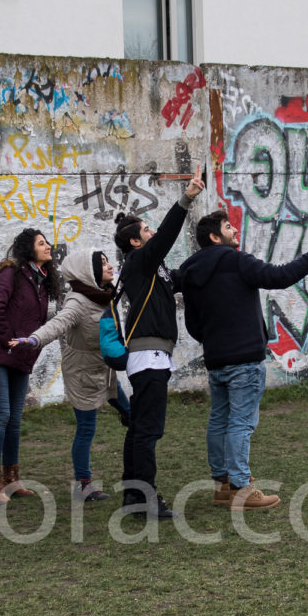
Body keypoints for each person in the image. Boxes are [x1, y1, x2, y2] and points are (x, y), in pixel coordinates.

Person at [179, 211, 308, 510]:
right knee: (240, 423)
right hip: (244, 359)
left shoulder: (189, 270)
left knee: (219, 421)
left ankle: (223, 486)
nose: (235, 229)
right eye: (228, 227)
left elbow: (192, 324)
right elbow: (280, 277)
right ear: (216, 237)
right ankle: (242, 488)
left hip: (216, 359)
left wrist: (215, 339)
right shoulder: (236, 261)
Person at [115, 164, 204, 520]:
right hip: (148, 358)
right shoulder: (140, 260)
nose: (152, 233)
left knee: (139, 429)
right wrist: (186, 199)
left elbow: (186, 275)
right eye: (146, 230)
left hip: (153, 358)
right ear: (135, 242)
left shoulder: (158, 270)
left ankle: (133, 495)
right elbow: (166, 235)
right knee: (148, 431)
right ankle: (144, 500)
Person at [10, 248, 130, 502]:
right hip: (82, 372)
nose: (109, 266)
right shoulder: (77, 302)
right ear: (89, 272)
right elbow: (58, 323)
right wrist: (33, 339)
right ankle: (83, 485)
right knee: (87, 428)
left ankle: (137, 468)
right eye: (103, 264)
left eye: (109, 262)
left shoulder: (105, 294)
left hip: (104, 369)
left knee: (132, 415)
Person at [0, 228, 60, 504]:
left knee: (14, 419)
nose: (48, 246)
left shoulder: (43, 281)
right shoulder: (11, 274)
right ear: (28, 249)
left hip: (21, 358)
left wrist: (26, 347)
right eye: (41, 243)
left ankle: (12, 479)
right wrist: (9, 339)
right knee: (0, 414)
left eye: (47, 242)